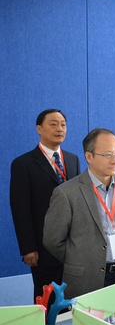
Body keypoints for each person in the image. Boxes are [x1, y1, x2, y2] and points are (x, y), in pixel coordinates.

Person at [42, 128, 115, 298]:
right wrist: (79, 259)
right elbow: (52, 240)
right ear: (89, 157)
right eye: (108, 155)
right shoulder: (67, 193)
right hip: (88, 277)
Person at [10, 109, 81, 302]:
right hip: (43, 248)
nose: (60, 129)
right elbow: (20, 210)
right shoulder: (23, 164)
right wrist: (28, 248)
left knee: (73, 300)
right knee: (47, 300)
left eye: (63, 124)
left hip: (73, 246)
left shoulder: (73, 159)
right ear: (39, 128)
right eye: (53, 124)